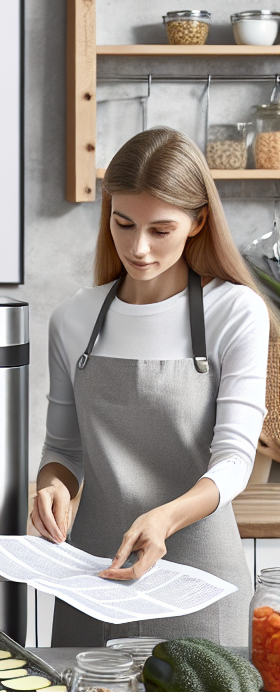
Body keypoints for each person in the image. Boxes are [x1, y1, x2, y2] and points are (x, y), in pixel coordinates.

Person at [32, 127, 274, 645]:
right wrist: (52, 486)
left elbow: (233, 458)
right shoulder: (73, 319)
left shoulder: (234, 311)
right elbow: (64, 449)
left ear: (198, 221)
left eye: (160, 230)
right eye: (123, 223)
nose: (137, 248)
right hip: (94, 577)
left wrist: (165, 520)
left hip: (199, 577)